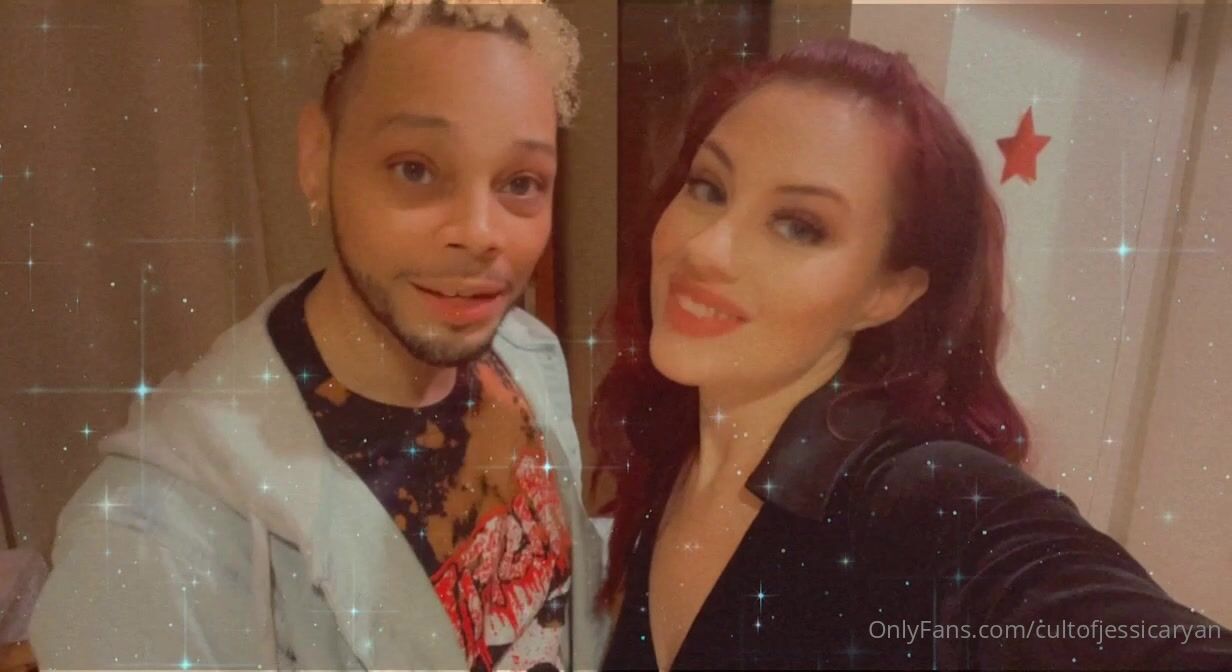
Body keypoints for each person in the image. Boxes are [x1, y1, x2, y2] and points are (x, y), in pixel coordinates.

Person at [591, 39, 1232, 670]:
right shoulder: (673, 454)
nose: (706, 250)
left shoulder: (926, 499)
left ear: (888, 293)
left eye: (799, 226)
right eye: (708, 187)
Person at [30, 1, 607, 669]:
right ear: (316, 158)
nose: (481, 233)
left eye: (520, 182)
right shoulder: (146, 549)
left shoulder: (526, 355)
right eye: (415, 169)